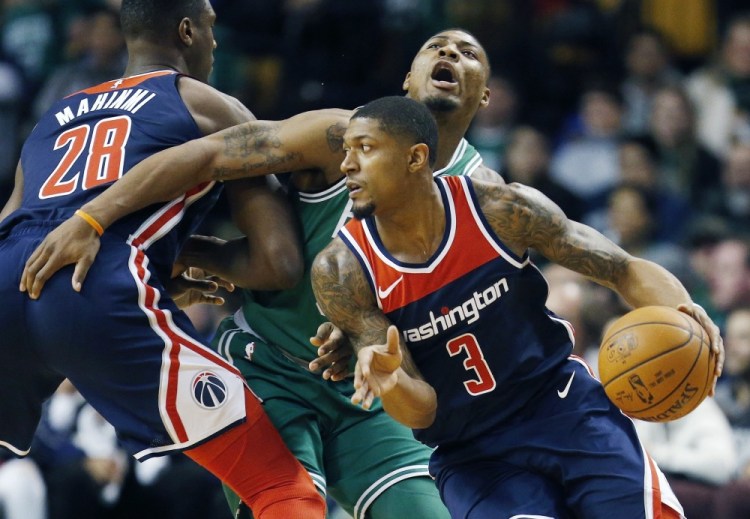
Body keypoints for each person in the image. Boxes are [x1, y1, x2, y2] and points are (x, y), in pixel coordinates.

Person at [17, 28, 500, 519]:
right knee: (290, 507)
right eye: (435, 46)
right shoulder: (340, 136)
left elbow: (463, 320)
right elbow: (205, 155)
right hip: (269, 367)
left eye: (468, 52)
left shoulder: (486, 196)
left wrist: (370, 329)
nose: (449, 53)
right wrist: (94, 218)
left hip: (371, 394)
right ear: (407, 77)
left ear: (484, 94)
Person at [310, 95, 725, 518]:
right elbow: (423, 409)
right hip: (475, 454)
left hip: (562, 405)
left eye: (364, 148)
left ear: (415, 157)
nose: (347, 164)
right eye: (345, 151)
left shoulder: (498, 209)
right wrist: (391, 381)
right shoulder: (343, 270)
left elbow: (620, 269)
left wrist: (686, 311)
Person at [0, 1, 326, 517]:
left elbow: (15, 225)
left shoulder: (52, 115)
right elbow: (278, 263)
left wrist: (161, 263)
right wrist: (204, 258)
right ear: (187, 31)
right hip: (96, 283)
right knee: (280, 488)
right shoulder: (209, 105)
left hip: (8, 278)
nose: (216, 44)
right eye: (213, 29)